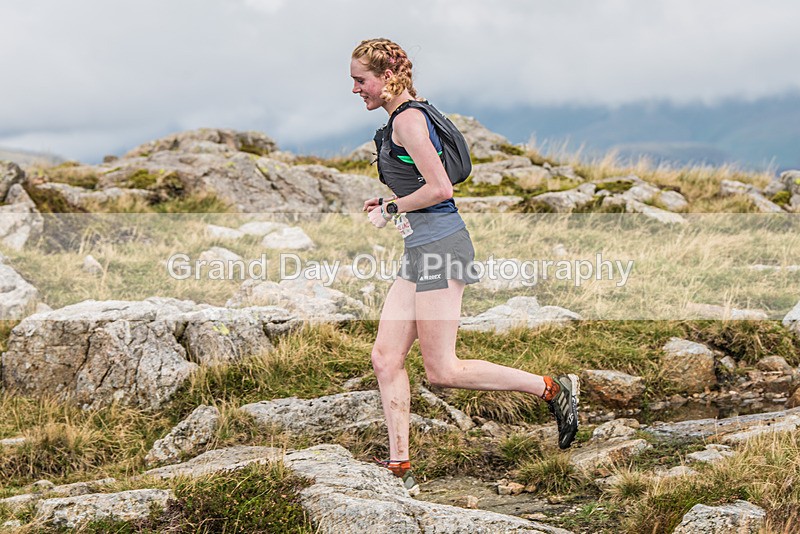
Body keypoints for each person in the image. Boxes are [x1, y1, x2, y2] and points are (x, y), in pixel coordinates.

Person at [351, 38, 579, 491]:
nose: (356, 89)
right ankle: (400, 468)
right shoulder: (409, 114)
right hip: (421, 250)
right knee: (385, 357)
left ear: (387, 77)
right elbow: (423, 183)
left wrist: (392, 211)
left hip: (441, 248)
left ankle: (552, 389)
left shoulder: (409, 121)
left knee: (443, 370)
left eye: (361, 80)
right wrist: (394, 200)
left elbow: (441, 189)